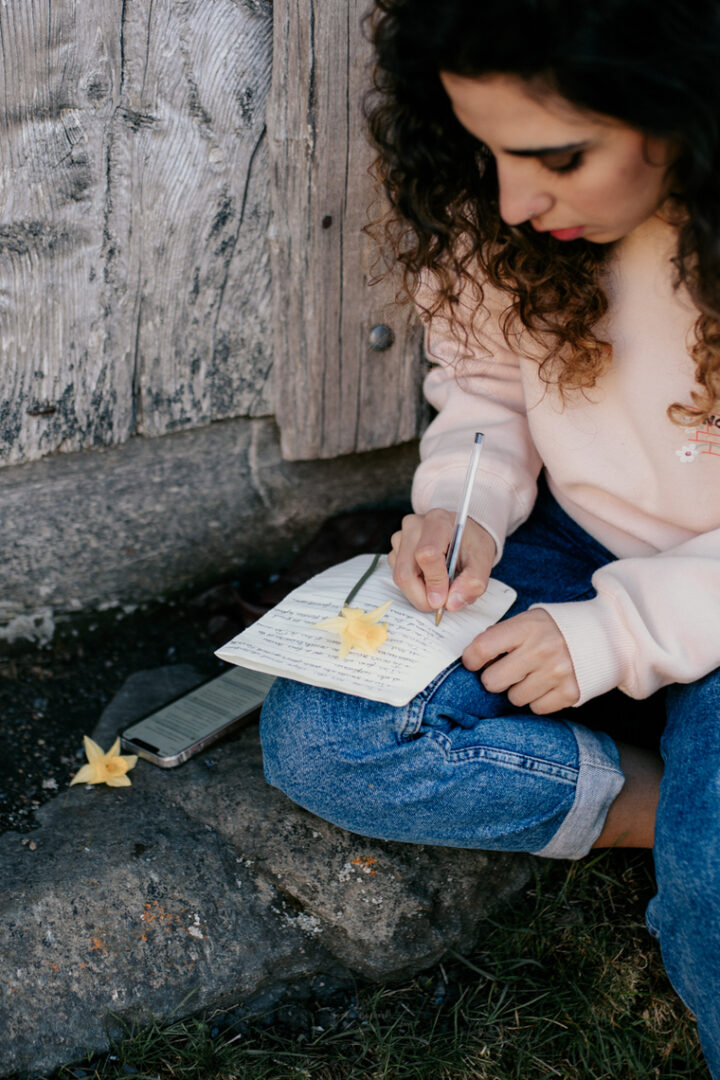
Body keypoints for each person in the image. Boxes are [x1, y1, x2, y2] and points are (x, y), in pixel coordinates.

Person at [259, 0, 720, 1072]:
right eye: (487, 153)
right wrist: (462, 509)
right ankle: (661, 808)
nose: (514, 199)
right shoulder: (503, 214)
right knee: (330, 735)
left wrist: (615, 636)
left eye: (558, 154)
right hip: (575, 542)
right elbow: (483, 388)